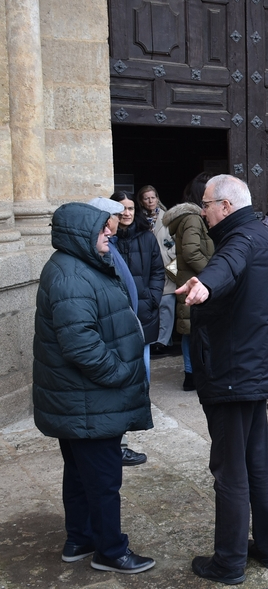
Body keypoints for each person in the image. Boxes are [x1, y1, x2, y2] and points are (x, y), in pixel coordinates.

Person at [33, 202, 155, 574]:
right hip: (89, 400)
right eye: (104, 227)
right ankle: (109, 550)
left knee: (81, 473)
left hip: (81, 400)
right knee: (103, 480)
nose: (111, 232)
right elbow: (80, 344)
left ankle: (80, 538)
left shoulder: (78, 265)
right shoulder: (70, 275)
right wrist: (120, 372)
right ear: (81, 233)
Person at [177, 175, 268, 584]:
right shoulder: (257, 233)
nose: (202, 211)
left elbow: (226, 265)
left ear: (225, 205)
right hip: (252, 372)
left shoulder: (242, 238)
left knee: (231, 470)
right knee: (256, 463)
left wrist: (204, 283)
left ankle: (229, 561)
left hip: (236, 375)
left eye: (205, 204)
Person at [88, 197, 149, 468]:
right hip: (113, 337)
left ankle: (117, 444)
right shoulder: (100, 249)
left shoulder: (108, 245)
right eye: (113, 216)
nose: (116, 223)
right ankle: (117, 447)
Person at [162, 173, 214, 392]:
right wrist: (213, 273)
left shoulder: (189, 218)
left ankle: (192, 374)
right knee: (193, 330)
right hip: (195, 281)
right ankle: (193, 375)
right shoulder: (192, 218)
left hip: (190, 279)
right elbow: (192, 252)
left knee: (190, 329)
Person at [109, 191, 165, 377]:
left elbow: (158, 271)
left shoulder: (147, 238)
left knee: (144, 364)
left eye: (130, 208)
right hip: (115, 309)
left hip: (144, 308)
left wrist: (153, 299)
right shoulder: (107, 240)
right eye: (121, 209)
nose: (127, 213)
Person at [138, 185, 179, 357]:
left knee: (167, 304)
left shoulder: (168, 217)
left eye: (153, 197)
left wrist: (169, 255)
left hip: (165, 266)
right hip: (146, 267)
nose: (150, 201)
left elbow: (177, 240)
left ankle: (162, 341)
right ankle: (157, 339)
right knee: (151, 304)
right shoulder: (138, 219)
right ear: (141, 200)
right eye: (146, 198)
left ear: (157, 198)